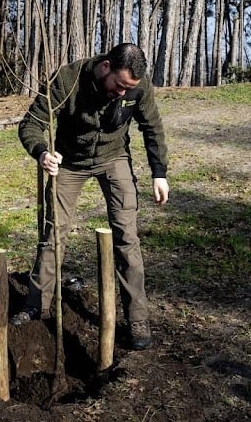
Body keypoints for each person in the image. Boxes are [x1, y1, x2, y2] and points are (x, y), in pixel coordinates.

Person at [13, 43, 169, 351]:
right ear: (106, 67)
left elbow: (152, 127)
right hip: (69, 162)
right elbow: (31, 123)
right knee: (53, 233)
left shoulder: (139, 86)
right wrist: (42, 153)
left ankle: (137, 320)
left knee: (126, 237)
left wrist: (159, 173)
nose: (123, 94)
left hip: (114, 157)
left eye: (130, 89)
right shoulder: (68, 78)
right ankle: (35, 305)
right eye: (120, 86)